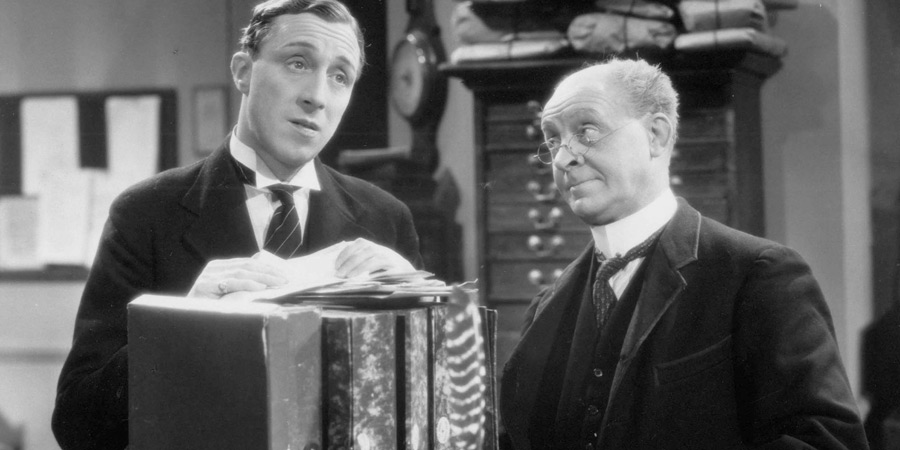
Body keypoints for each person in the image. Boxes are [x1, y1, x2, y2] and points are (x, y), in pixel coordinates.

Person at [52, 1, 421, 448]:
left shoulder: (386, 219)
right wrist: (182, 326)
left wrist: (417, 311)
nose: (317, 96)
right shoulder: (145, 213)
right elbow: (76, 424)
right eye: (298, 62)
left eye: (339, 76)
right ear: (243, 71)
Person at [499, 58, 869, 449]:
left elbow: (827, 441)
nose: (561, 159)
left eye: (587, 131)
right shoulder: (546, 308)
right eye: (553, 139)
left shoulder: (757, 275)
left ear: (656, 135)